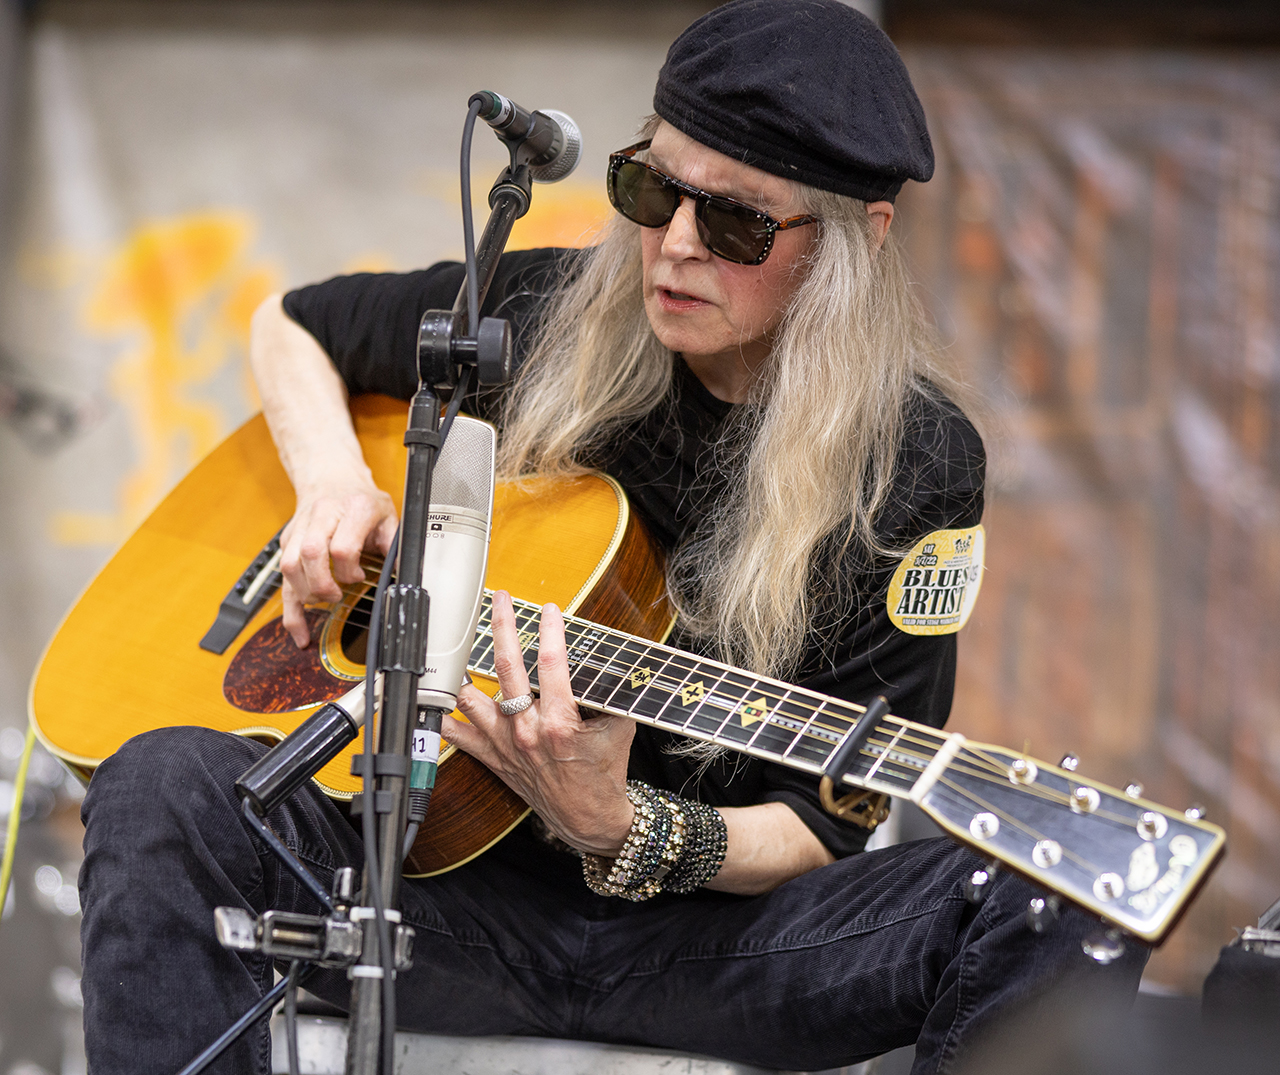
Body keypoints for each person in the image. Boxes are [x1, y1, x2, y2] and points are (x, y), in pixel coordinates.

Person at [77, 2, 1147, 1073]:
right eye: (649, 190)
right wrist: (331, 489)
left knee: (1050, 889)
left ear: (855, 241)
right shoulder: (549, 310)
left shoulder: (911, 462)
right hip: (442, 901)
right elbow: (293, 325)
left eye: (734, 224)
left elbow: (825, 823)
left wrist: (623, 826)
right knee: (157, 783)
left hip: (718, 946)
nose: (673, 247)